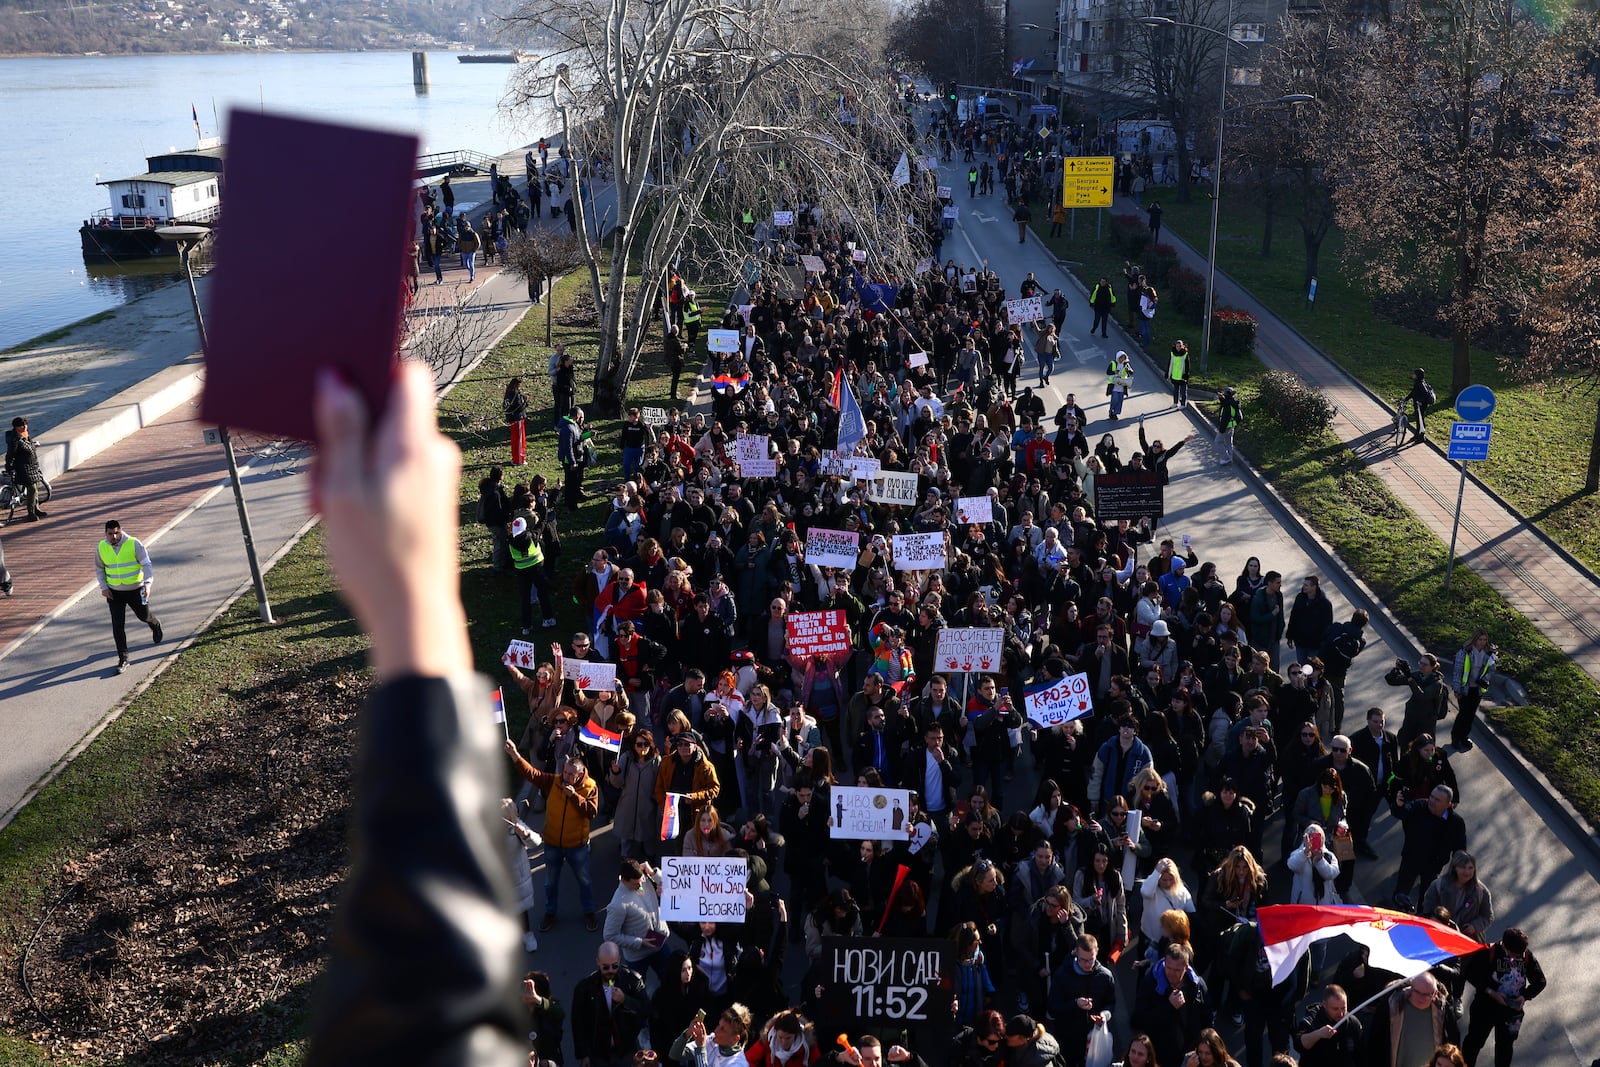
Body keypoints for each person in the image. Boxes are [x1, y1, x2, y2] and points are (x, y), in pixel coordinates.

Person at [504, 744, 601, 932]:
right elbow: (533, 774)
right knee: (550, 883)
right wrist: (515, 755)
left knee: (585, 881)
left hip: (577, 847)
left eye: (571, 774)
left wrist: (574, 797)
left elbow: (592, 812)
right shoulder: (555, 782)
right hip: (552, 844)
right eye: (565, 772)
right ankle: (550, 913)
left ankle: (589, 912)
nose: (566, 777)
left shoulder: (590, 788)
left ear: (580, 775)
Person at [1461, 927, 1545, 1067]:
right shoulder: (1489, 952)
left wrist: (1524, 996)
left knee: (1504, 1049)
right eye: (1514, 954)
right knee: (1473, 1043)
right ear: (1504, 945)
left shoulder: (1526, 956)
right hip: (1484, 1008)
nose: (1517, 957)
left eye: (1520, 954)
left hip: (1510, 1013)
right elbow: (1471, 974)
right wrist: (1491, 992)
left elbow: (1540, 981)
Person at [95, 518, 164, 674]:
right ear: (105, 533)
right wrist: (103, 587)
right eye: (110, 534)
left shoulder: (134, 543)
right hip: (114, 593)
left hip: (136, 589)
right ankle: (123, 658)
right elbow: (99, 569)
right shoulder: (101, 547)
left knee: (144, 616)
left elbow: (146, 564)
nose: (113, 537)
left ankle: (155, 624)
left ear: (121, 530)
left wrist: (147, 584)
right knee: (117, 626)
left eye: (116, 533)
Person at [1131, 943, 1210, 1067]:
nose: (1171, 973)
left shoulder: (1198, 985)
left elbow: (1207, 1017)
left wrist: (1205, 1044)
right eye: (1169, 968)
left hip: (1189, 1050)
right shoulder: (1151, 983)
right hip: (1160, 1052)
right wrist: (1169, 1007)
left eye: (1177, 970)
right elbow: (1140, 1018)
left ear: (1186, 966)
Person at [573, 942, 651, 1067]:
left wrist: (625, 999)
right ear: (598, 962)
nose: (610, 971)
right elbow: (578, 1023)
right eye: (605, 967)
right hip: (598, 1052)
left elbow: (646, 1010)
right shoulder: (585, 988)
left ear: (619, 960)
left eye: (614, 966)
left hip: (625, 1049)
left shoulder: (632, 981)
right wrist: (584, 1054)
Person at [1394, 785, 1467, 911]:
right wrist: (1398, 805)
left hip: (1433, 867)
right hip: (1411, 860)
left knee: (1427, 900)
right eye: (1431, 797)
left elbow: (1459, 849)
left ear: (1448, 804)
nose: (1432, 801)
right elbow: (1401, 813)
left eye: (1437, 800)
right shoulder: (1420, 806)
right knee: (1400, 894)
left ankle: (1421, 918)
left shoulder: (1456, 823)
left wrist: (1457, 871)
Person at [1367, 972, 1460, 1067]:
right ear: (1411, 988)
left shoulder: (1444, 1012)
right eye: (1417, 992)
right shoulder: (1392, 1006)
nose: (1420, 998)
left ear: (1435, 993)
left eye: (1426, 994)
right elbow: (1375, 1043)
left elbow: (1453, 1047)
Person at [605, 858, 674, 982]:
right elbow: (610, 935)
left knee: (671, 979)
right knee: (637, 991)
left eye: (641, 880)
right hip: (638, 957)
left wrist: (653, 873)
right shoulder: (618, 904)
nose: (641, 885)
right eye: (636, 884)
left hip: (660, 944)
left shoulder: (644, 878)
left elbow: (672, 885)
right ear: (624, 880)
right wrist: (639, 942)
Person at [510, 516, 559, 633]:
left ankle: (526, 626)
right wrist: (544, 509)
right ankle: (548, 619)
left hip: (521, 570)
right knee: (543, 593)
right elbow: (541, 524)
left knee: (525, 599)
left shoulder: (510, 541)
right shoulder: (532, 536)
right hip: (537, 568)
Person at [1293, 985, 1361, 1067]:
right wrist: (1318, 1034)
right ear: (1324, 1004)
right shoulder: (1312, 1019)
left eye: (1343, 1008)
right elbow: (1298, 1044)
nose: (1341, 1014)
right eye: (1335, 1009)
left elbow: (1360, 1055)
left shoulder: (1353, 1023)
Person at [1452, 631, 1498, 752]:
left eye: (1484, 640)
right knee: (1463, 713)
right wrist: (1457, 689)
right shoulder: (1465, 652)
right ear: (1474, 640)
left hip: (1477, 690)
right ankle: (1456, 737)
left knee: (1471, 715)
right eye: (1480, 640)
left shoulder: (1489, 654)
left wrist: (1484, 679)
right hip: (1464, 689)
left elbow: (1491, 669)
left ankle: (1464, 737)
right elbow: (1457, 671)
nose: (1482, 642)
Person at [7, 417, 46, 520]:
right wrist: (9, 466)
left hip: (32, 465)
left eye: (25, 424)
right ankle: (31, 513)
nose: (24, 427)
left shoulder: (25, 434)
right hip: (23, 467)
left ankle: (36, 508)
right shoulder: (15, 439)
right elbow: (10, 454)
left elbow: (28, 446)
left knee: (35, 488)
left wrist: (33, 444)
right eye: (21, 425)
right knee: (32, 488)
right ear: (16, 427)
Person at [504, 377, 530, 466]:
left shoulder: (508, 393)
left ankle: (515, 458)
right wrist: (525, 400)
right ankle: (519, 460)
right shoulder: (515, 394)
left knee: (514, 440)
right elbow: (520, 407)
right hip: (517, 419)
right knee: (519, 441)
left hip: (512, 420)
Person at [1408, 368, 1436, 444]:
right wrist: (1406, 398)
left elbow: (1425, 394)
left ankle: (1421, 436)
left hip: (1421, 405)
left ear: (1417, 375)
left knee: (1420, 419)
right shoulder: (1418, 382)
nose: (1413, 375)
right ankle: (1417, 435)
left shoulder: (1420, 384)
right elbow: (1413, 392)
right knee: (1418, 419)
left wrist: (1420, 401)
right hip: (1418, 404)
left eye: (1414, 374)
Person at [1215, 387, 1241, 464]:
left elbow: (1225, 419)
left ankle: (1226, 458)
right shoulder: (1232, 402)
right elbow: (1225, 403)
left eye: (1224, 393)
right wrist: (1221, 398)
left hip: (1226, 426)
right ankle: (1230, 457)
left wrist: (1221, 429)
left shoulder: (1227, 406)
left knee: (1218, 441)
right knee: (1229, 442)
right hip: (1231, 425)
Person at [1167, 340, 1190, 407]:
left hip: (1182, 376)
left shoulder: (1185, 355)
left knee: (1183, 391)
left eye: (1180, 346)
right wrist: (1168, 374)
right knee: (1175, 391)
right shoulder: (1172, 354)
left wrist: (1186, 375)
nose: (1178, 348)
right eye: (1177, 346)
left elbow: (1188, 366)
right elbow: (1170, 364)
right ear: (1175, 346)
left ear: (1182, 346)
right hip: (1175, 376)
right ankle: (1175, 403)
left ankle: (1183, 404)